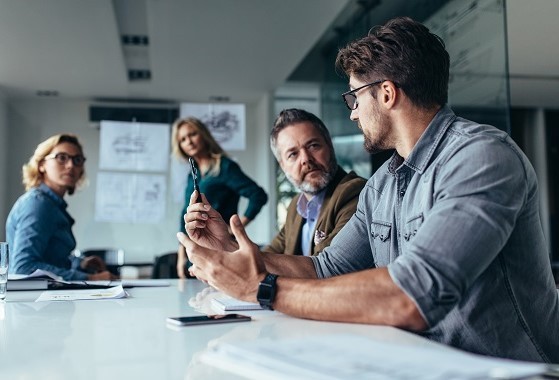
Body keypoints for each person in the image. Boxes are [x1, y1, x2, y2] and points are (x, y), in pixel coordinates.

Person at [178, 17, 559, 362]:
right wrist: (229, 247)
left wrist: (264, 289)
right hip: (426, 364)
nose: (353, 112)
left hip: (511, 370)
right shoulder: (382, 185)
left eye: (355, 97)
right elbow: (324, 268)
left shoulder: (481, 157)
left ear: (388, 94)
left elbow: (413, 294)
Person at [6, 134, 115, 281]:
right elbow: (23, 268)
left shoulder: (52, 205)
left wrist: (80, 263)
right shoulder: (38, 204)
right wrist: (89, 278)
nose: (71, 165)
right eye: (61, 157)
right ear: (42, 164)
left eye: (77, 160)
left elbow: (50, 259)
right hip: (35, 302)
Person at [171, 117, 268, 278]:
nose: (188, 141)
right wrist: (181, 255)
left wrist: (234, 229)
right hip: (194, 253)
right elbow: (185, 214)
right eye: (182, 139)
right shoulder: (192, 175)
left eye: (192, 134)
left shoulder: (225, 167)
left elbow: (258, 195)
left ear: (203, 135)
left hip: (219, 250)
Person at [263, 108, 366, 256]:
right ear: (282, 165)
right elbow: (269, 256)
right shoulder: (296, 207)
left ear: (329, 146)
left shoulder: (354, 193)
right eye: (293, 154)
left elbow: (326, 266)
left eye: (313, 146)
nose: (305, 159)